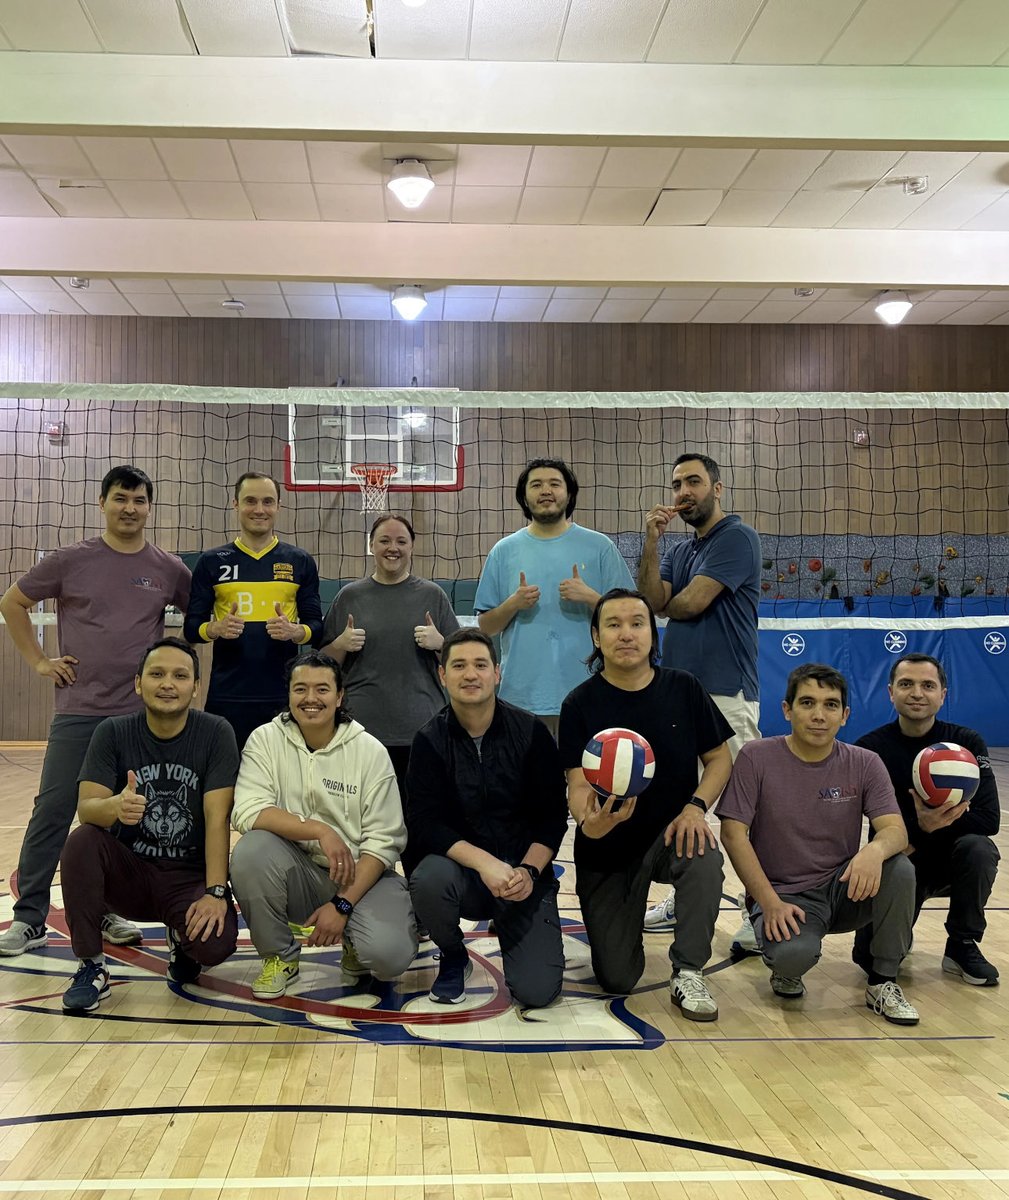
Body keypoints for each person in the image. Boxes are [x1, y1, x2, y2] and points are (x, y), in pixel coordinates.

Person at [0, 465, 191, 957]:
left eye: (139, 500)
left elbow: (204, 619)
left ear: (150, 507)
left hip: (139, 717)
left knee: (124, 817)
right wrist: (40, 662)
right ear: (102, 502)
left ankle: (104, 909)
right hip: (80, 710)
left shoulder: (168, 568)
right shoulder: (70, 560)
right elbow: (13, 602)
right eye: (121, 498)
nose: (130, 508)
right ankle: (31, 918)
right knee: (55, 810)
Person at [559, 589, 733, 1022]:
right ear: (596, 638)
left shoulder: (684, 688)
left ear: (652, 635)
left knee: (704, 855)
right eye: (613, 625)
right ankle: (628, 916)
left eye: (637, 623)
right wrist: (588, 821)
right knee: (617, 978)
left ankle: (688, 969)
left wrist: (696, 807)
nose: (626, 634)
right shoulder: (579, 703)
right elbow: (577, 784)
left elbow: (719, 759)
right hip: (608, 847)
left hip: (672, 833)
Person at [717, 663, 920, 1025]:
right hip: (786, 898)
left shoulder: (864, 762)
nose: (818, 715)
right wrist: (768, 902)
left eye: (830, 705)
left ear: (844, 715)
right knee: (793, 957)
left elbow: (895, 831)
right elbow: (733, 833)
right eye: (807, 703)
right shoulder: (756, 757)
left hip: (844, 888)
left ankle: (883, 980)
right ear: (786, 709)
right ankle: (784, 963)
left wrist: (873, 851)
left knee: (898, 867)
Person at [59, 638, 240, 1011]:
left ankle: (183, 941)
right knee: (81, 842)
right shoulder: (112, 731)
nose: (168, 683)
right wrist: (114, 805)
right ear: (138, 683)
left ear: (196, 687)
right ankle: (91, 965)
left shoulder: (216, 732)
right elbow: (87, 809)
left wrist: (216, 892)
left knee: (215, 945)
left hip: (187, 876)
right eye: (156, 674)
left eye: (180, 675)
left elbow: (217, 818)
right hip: (130, 873)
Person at [229, 652, 417, 1000]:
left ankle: (355, 944)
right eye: (300, 689)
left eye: (322, 689)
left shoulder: (370, 751)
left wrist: (342, 906)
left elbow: (383, 841)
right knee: (250, 850)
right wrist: (320, 830)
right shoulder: (265, 740)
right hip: (297, 871)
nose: (311, 699)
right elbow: (248, 811)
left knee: (389, 958)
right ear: (288, 694)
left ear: (340, 696)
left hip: (362, 876)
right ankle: (279, 956)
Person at [637, 453, 761, 941]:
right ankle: (682, 895)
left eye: (693, 481)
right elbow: (652, 600)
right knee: (680, 807)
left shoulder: (736, 537)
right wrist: (651, 543)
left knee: (741, 813)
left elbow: (684, 603)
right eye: (676, 484)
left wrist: (666, 600)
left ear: (718, 487)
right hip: (677, 696)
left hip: (727, 693)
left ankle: (760, 908)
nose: (683, 491)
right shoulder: (681, 549)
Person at [406, 629, 567, 1006]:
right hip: (462, 875)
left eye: (480, 665)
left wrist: (528, 872)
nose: (470, 675)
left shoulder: (532, 733)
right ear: (443, 675)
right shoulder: (428, 740)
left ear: (497, 673)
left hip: (522, 875)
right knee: (427, 877)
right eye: (458, 666)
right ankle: (453, 954)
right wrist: (486, 864)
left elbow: (553, 817)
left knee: (537, 992)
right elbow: (425, 823)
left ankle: (517, 927)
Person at [854, 653, 1000, 986]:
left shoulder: (967, 743)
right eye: (906, 684)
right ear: (890, 692)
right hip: (900, 863)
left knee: (979, 849)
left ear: (942, 694)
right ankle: (899, 931)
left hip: (953, 862)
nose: (917, 693)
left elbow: (989, 819)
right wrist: (921, 828)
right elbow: (864, 827)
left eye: (927, 685)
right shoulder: (869, 750)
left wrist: (928, 825)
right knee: (867, 959)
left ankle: (962, 943)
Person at [475, 457, 634, 735]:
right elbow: (486, 627)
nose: (545, 490)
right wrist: (514, 603)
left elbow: (632, 616)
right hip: (522, 698)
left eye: (554, 484)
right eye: (536, 485)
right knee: (529, 780)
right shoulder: (503, 551)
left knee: (586, 779)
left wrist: (591, 597)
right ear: (524, 497)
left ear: (569, 493)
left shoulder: (600, 547)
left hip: (589, 693)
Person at [320, 513, 459, 801]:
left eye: (400, 541)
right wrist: (341, 644)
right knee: (363, 816)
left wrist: (440, 644)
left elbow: (461, 659)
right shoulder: (349, 596)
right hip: (362, 731)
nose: (392, 547)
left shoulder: (433, 595)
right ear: (371, 545)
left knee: (419, 818)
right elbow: (322, 664)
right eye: (384, 540)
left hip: (421, 730)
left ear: (412, 547)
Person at [183, 471, 322, 751]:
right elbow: (191, 628)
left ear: (279, 507)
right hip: (227, 695)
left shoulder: (299, 561)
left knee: (283, 781)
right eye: (250, 501)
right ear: (235, 504)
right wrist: (214, 628)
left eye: (268, 502)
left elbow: (316, 629)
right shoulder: (212, 562)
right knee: (227, 780)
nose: (259, 509)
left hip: (283, 695)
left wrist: (296, 632)